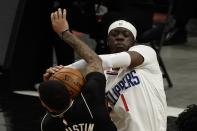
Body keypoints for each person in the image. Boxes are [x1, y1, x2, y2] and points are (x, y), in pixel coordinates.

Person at [45, 19, 167, 131]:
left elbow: (100, 61)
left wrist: (66, 35)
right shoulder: (100, 75)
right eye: (114, 34)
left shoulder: (146, 53)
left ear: (134, 43)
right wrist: (57, 77)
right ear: (108, 41)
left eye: (125, 34)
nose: (119, 37)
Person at [38, 8, 117, 131]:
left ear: (43, 104)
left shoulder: (47, 125)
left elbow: (54, 108)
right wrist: (64, 33)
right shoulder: (90, 100)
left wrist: (50, 83)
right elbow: (94, 60)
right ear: (72, 93)